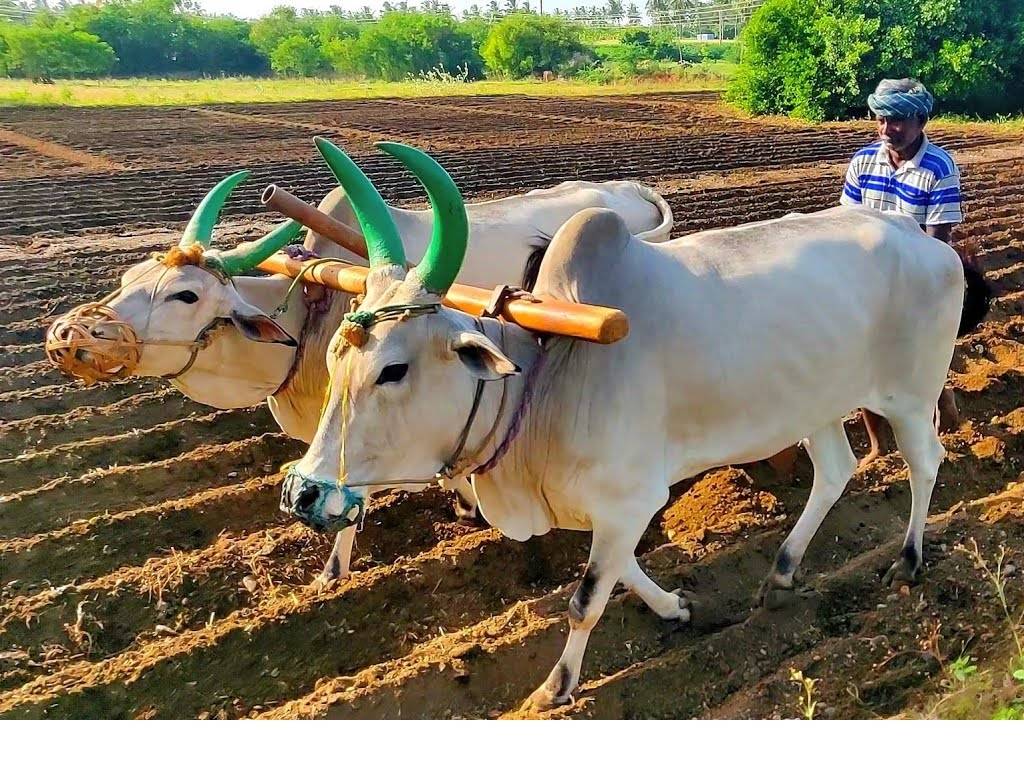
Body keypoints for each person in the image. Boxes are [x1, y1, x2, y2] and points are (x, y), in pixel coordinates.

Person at [841, 78, 965, 465]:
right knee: (865, 365)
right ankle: (878, 446)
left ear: (921, 120)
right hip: (868, 278)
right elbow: (845, 225)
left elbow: (936, 240)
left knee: (915, 365)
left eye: (897, 120)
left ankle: (937, 416)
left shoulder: (939, 167)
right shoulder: (863, 162)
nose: (887, 129)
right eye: (881, 119)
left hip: (917, 277)